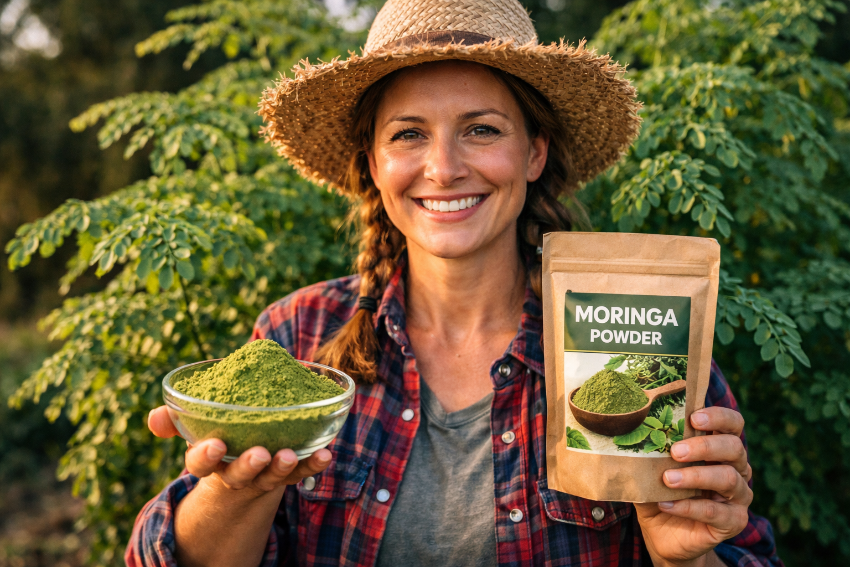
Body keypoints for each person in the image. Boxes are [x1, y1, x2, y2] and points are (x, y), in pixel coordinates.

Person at [127, 0, 783, 566]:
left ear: (534, 151)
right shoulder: (299, 335)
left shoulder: (633, 341)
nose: (443, 167)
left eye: (482, 129)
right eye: (409, 133)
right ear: (374, 162)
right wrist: (234, 490)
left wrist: (689, 555)